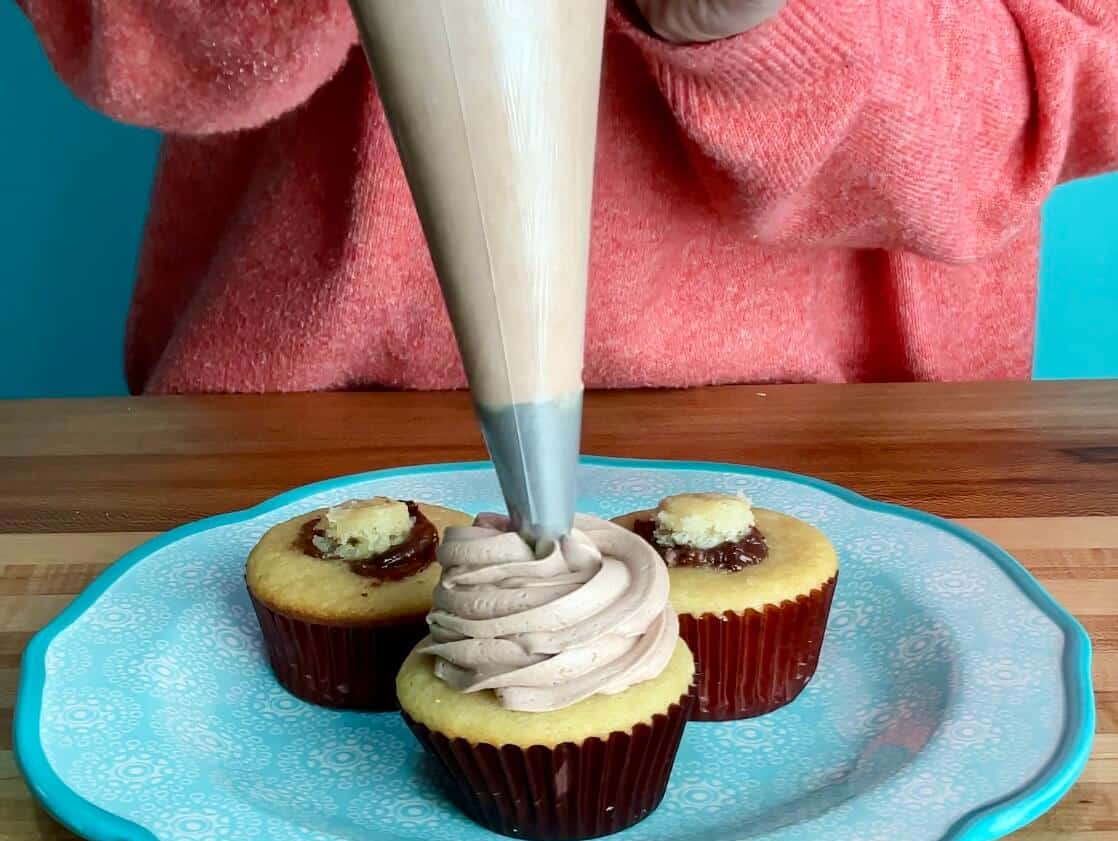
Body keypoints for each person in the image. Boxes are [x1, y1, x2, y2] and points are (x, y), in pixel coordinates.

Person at [17, 0, 1118, 392]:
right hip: (296, 445)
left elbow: (1071, 77)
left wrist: (774, 27)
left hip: (859, 467)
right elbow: (121, 34)